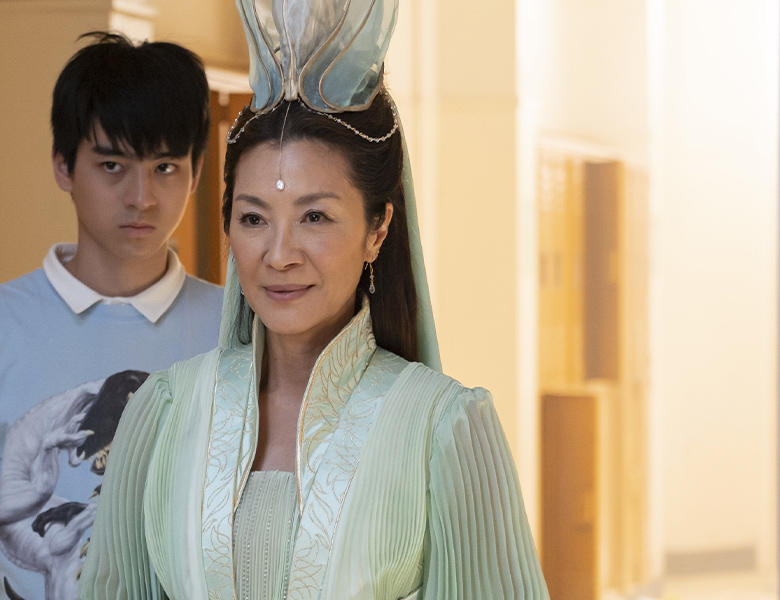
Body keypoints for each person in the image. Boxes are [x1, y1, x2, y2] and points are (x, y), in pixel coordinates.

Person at [79, 1, 550, 598]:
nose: (280, 255)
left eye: (316, 217)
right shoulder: (164, 413)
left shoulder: (445, 427)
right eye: (253, 218)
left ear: (378, 228)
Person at [0, 33, 222, 600]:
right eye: (112, 165)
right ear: (63, 167)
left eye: (166, 167)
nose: (141, 197)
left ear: (197, 173)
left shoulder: (238, 331)